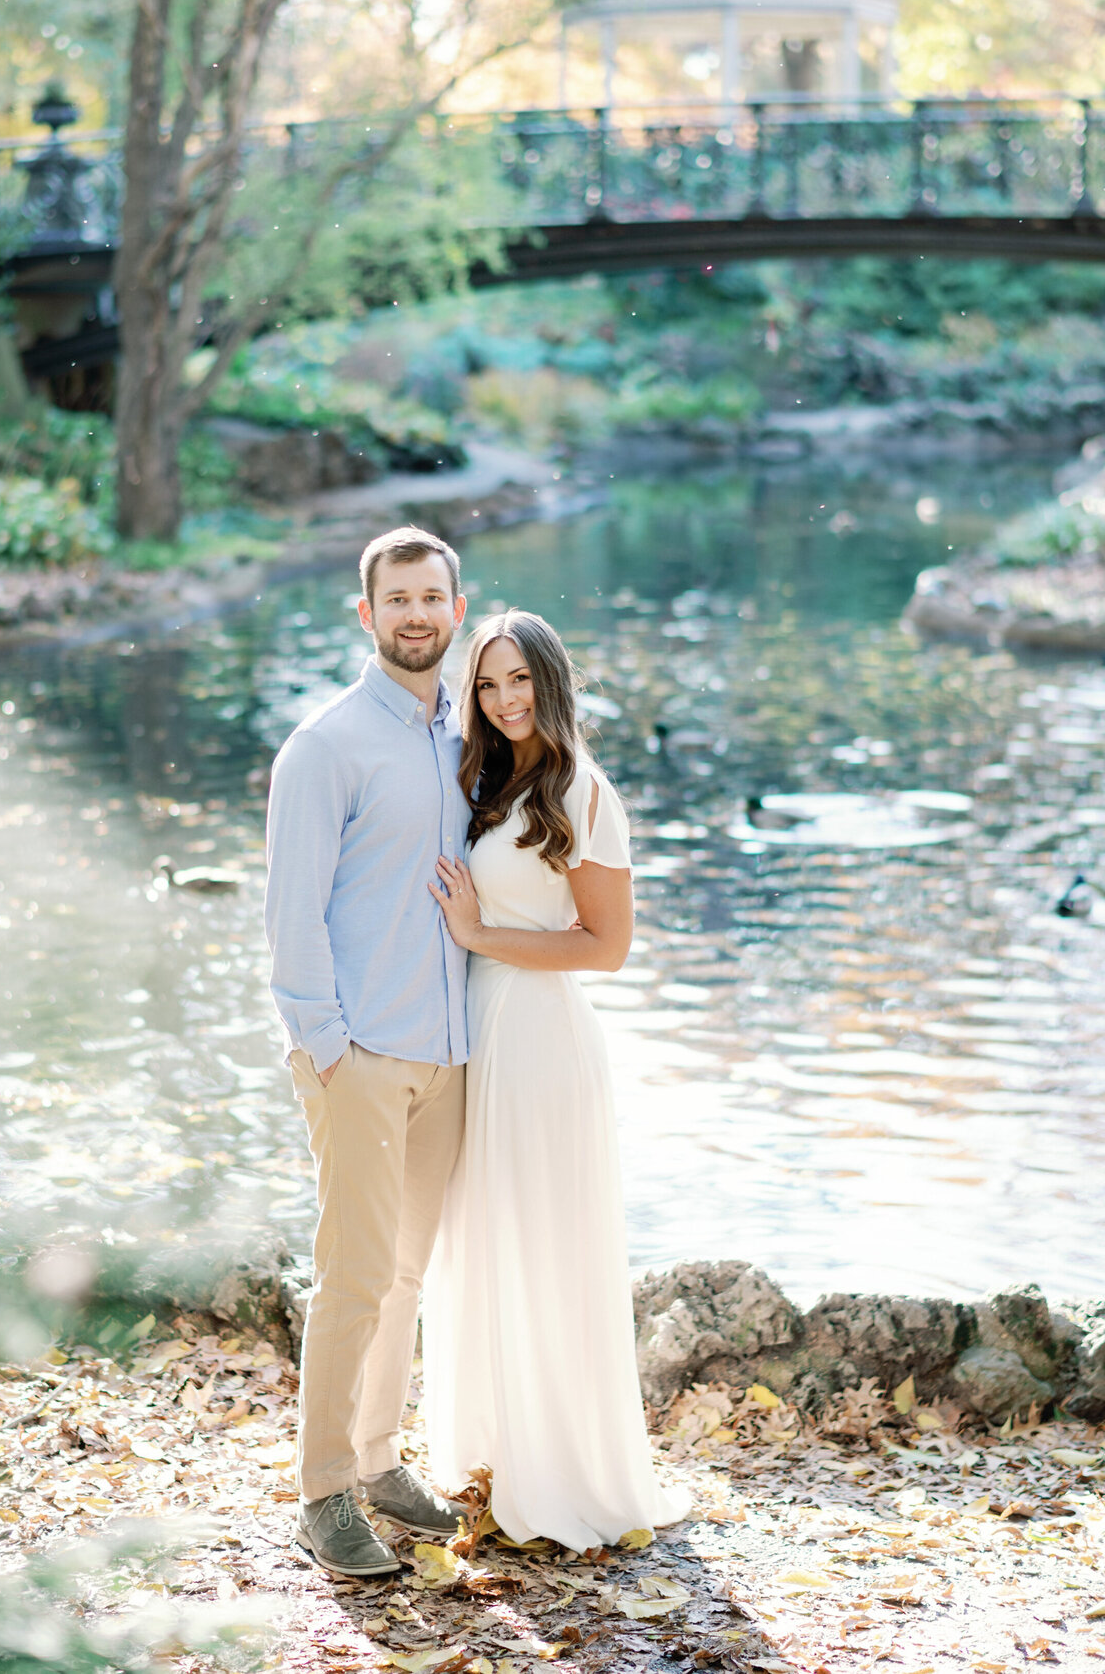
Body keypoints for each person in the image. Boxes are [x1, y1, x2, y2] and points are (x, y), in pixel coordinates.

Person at [422, 609, 689, 1552]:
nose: (503, 700)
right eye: (487, 685)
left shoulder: (581, 787)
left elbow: (608, 947)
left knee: (543, 1244)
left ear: (550, 679)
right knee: (482, 1237)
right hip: (478, 1034)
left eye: (518, 681)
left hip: (540, 1038)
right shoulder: (488, 780)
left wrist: (479, 935)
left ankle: (561, 1471)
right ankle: (491, 1453)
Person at [264, 525, 472, 1577]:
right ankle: (323, 1493)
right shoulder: (327, 744)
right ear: (367, 615)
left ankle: (381, 1458)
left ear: (458, 610)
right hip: (360, 1056)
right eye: (398, 600)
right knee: (352, 1276)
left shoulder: (463, 740)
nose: (416, 615)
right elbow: (290, 917)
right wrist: (327, 1048)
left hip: (447, 1055)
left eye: (433, 597)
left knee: (405, 1273)